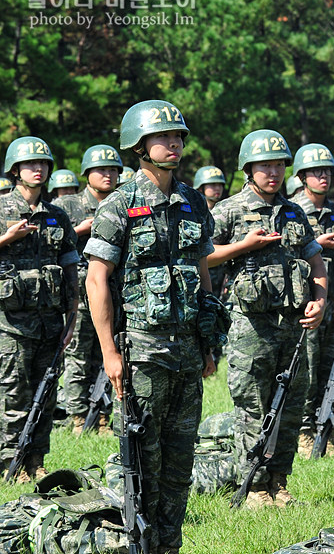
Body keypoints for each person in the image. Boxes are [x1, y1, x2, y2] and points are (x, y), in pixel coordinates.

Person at [85, 100, 218, 554]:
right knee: (143, 463)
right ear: (139, 146)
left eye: (178, 136)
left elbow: (201, 270)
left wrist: (207, 338)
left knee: (181, 464)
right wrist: (109, 353)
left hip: (186, 350)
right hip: (141, 353)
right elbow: (97, 278)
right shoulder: (120, 203)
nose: (174, 143)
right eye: (163, 137)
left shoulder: (193, 201)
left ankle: (170, 547)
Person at [208, 129, 326, 507]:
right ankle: (255, 486)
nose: (273, 172)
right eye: (265, 165)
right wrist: (243, 246)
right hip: (250, 328)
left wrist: (320, 300)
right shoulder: (227, 210)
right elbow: (202, 258)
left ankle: (279, 481)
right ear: (248, 168)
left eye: (278, 165)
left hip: (293, 327)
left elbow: (316, 260)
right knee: (253, 406)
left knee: (290, 407)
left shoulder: (293, 212)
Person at [0, 136, 79, 482]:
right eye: (31, 164)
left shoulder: (57, 216)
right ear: (16, 169)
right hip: (10, 325)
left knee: (45, 394)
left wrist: (72, 316)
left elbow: (71, 267)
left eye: (44, 164)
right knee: (13, 393)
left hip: (50, 323)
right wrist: (6, 238)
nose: (39, 169)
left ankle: (36, 460)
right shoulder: (1, 210)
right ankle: (10, 463)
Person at [290, 143, 334, 454]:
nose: (323, 177)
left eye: (327, 172)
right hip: (307, 303)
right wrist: (316, 243)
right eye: (316, 172)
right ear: (303, 176)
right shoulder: (292, 210)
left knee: (333, 367)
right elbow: (285, 255)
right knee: (306, 368)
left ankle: (327, 427)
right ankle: (304, 431)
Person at [58, 144, 122, 435]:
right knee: (80, 356)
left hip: (116, 291)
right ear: (87, 173)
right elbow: (51, 242)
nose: (108, 175)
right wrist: (80, 229)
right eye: (101, 169)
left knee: (108, 353)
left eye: (113, 169)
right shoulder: (68, 205)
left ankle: (103, 416)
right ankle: (76, 417)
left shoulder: (124, 201)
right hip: (81, 294)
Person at [193, 165, 228, 297]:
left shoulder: (225, 212)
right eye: (212, 185)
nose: (217, 188)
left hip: (221, 275)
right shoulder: (193, 213)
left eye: (219, 184)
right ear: (201, 187)